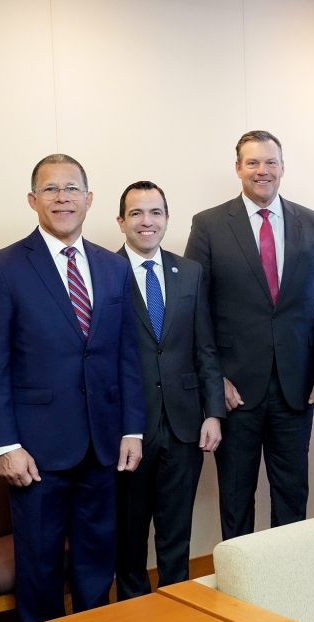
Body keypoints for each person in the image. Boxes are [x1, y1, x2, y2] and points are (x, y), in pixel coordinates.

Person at [0, 154, 146, 622]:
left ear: (89, 199)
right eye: (50, 189)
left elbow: (127, 356)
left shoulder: (113, 267)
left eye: (72, 189)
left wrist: (133, 430)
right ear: (33, 200)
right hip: (36, 450)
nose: (62, 198)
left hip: (103, 444)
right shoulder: (2, 267)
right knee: (40, 565)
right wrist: (5, 446)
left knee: (97, 559)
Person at [184, 130, 314, 540]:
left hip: (297, 385)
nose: (262, 170)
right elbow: (193, 312)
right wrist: (214, 380)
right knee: (236, 498)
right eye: (252, 162)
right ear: (238, 168)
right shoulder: (209, 225)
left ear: (283, 167)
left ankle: (286, 576)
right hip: (234, 390)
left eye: (270, 162)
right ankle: (240, 578)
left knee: (292, 495)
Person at [114, 181, 226, 599]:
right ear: (121, 221)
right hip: (129, 427)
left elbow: (205, 348)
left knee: (176, 531)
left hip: (185, 423)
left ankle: (177, 609)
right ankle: (132, 614)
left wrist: (214, 413)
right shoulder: (105, 272)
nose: (147, 221)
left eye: (155, 212)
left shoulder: (189, 272)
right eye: (137, 213)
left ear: (166, 218)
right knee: (129, 535)